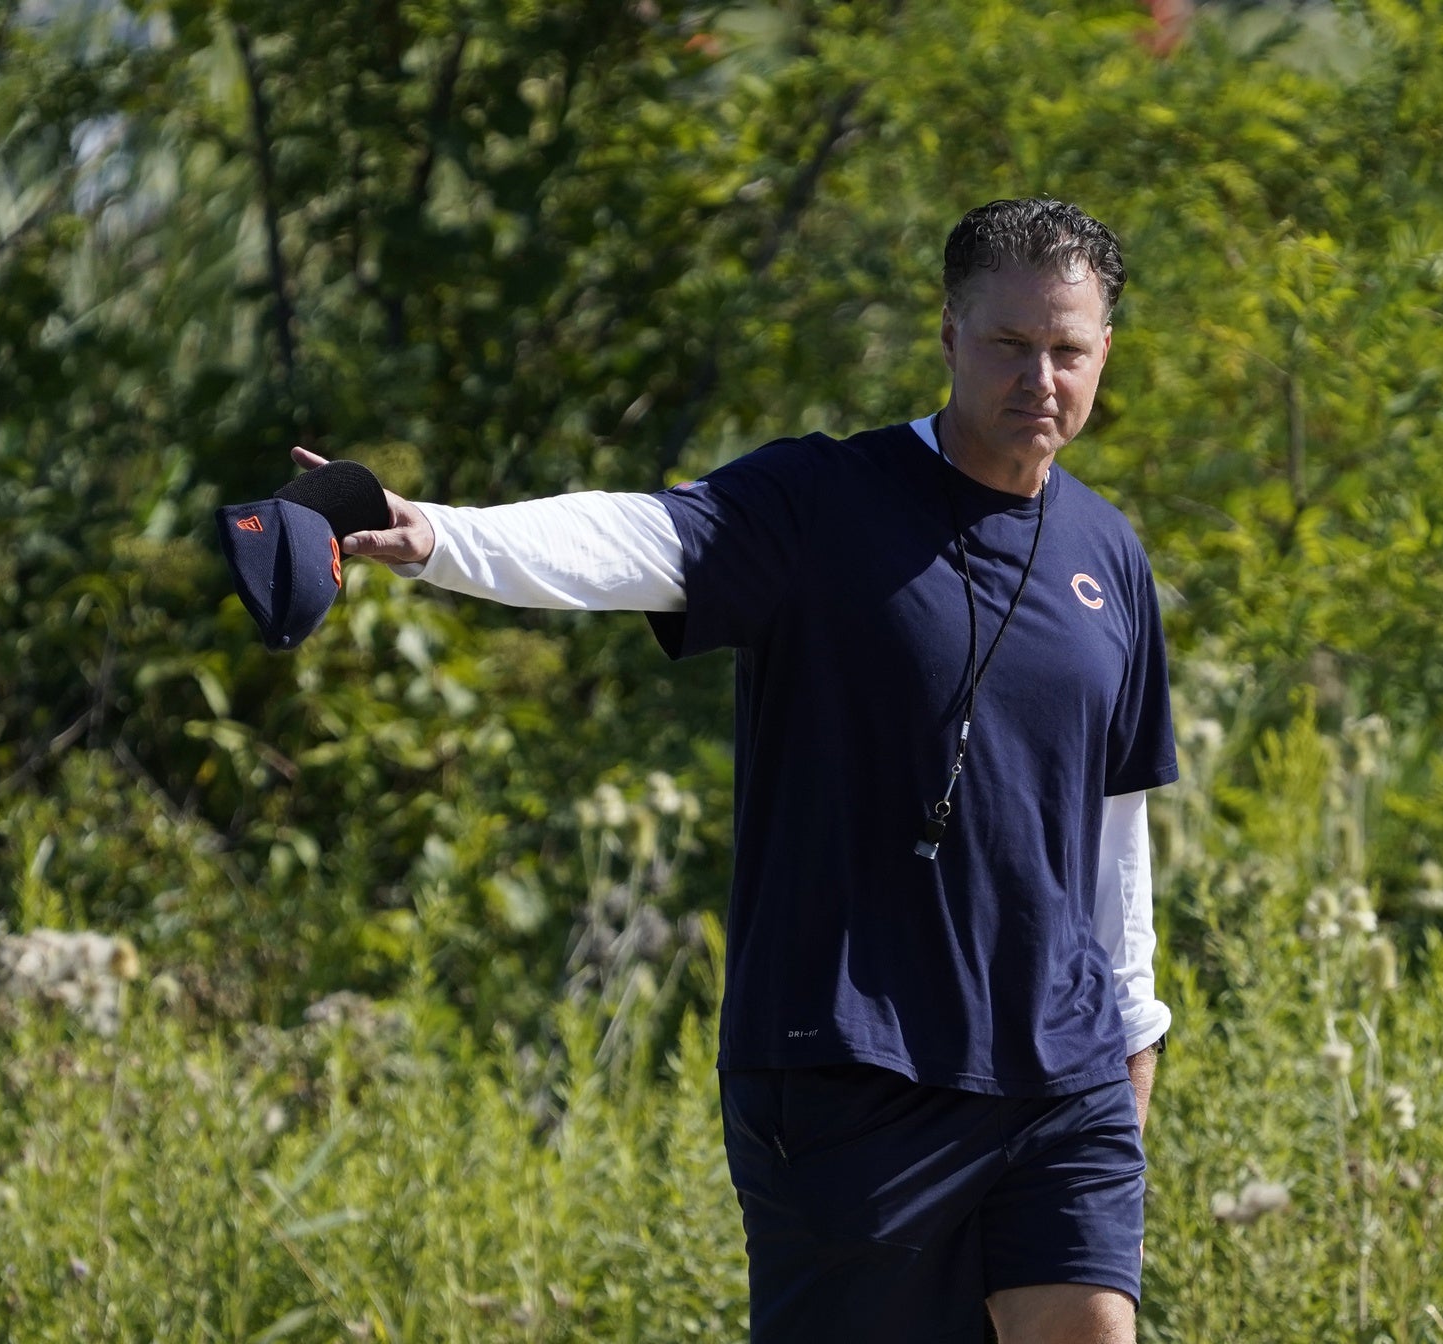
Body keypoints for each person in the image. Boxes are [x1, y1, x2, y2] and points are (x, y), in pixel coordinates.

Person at [296, 198, 1177, 1344]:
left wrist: (1134, 1028)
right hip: (856, 1059)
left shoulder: (1110, 554)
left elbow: (1115, 820)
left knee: (1092, 1326)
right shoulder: (821, 501)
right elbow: (637, 541)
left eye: (1068, 350)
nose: (1040, 378)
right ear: (949, 332)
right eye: (1011, 344)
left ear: (1105, 350)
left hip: (1061, 1069)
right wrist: (440, 537)